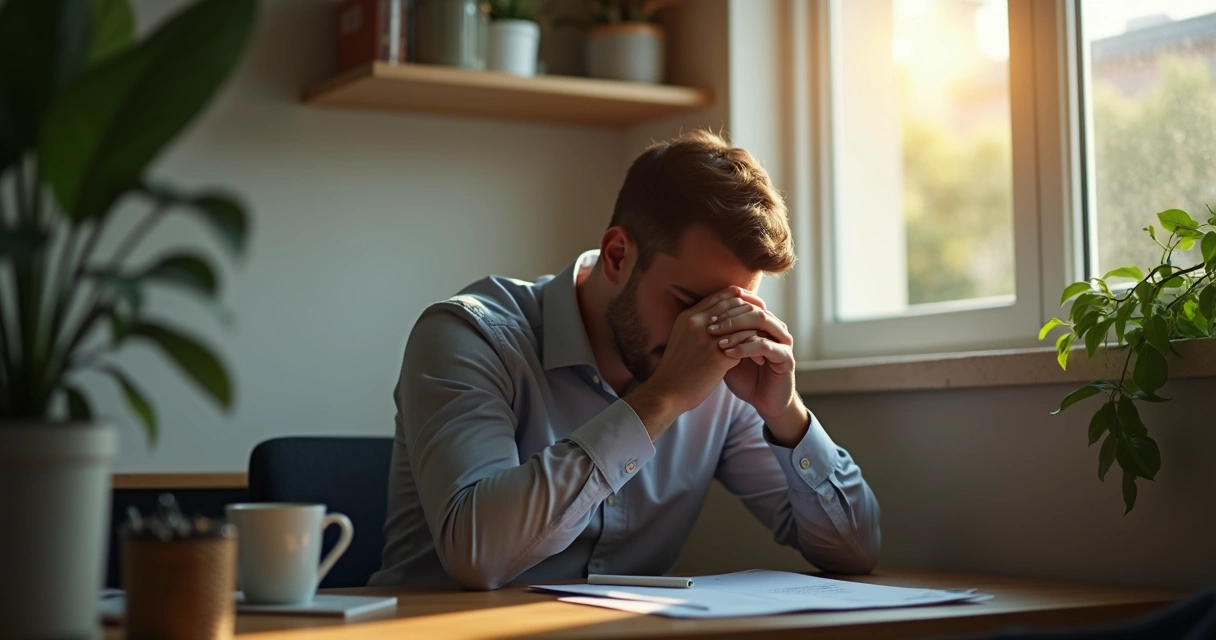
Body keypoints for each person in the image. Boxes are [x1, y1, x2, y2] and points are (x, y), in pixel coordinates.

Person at [369, 130, 881, 590]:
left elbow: (856, 551)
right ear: (617, 255)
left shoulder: (722, 372)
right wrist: (660, 400)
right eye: (687, 302)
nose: (705, 332)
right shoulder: (469, 336)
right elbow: (477, 555)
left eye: (731, 306)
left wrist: (785, 413)